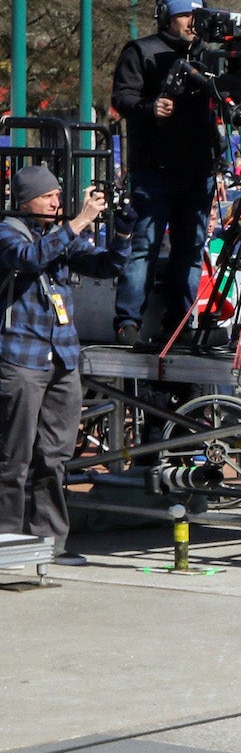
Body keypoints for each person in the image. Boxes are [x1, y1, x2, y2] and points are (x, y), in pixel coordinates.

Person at [0, 168, 116, 564]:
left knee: (55, 456)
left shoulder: (58, 237)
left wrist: (127, 235)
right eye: (47, 196)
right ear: (25, 200)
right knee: (13, 458)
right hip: (21, 358)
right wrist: (79, 222)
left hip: (63, 358)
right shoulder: (8, 232)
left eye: (57, 195)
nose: (55, 202)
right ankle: (9, 545)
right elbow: (29, 259)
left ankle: (48, 543)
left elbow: (102, 265)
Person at [110, 0, 221, 345]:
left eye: (196, 14)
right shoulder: (140, 51)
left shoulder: (209, 54)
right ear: (166, 18)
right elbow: (122, 98)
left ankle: (181, 324)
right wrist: (149, 106)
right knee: (144, 246)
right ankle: (128, 322)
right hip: (153, 170)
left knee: (190, 250)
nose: (192, 21)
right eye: (184, 14)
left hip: (199, 170)